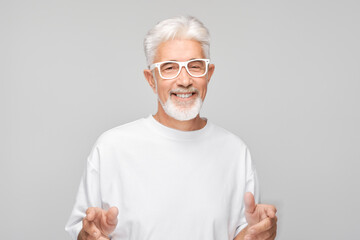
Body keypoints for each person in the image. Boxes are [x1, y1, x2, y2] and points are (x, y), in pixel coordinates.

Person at [65, 15, 278, 240]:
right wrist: (88, 235)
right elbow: (82, 232)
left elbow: (246, 235)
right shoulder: (111, 148)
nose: (184, 80)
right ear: (151, 79)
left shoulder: (235, 152)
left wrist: (255, 233)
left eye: (195, 67)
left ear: (209, 74)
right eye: (169, 68)